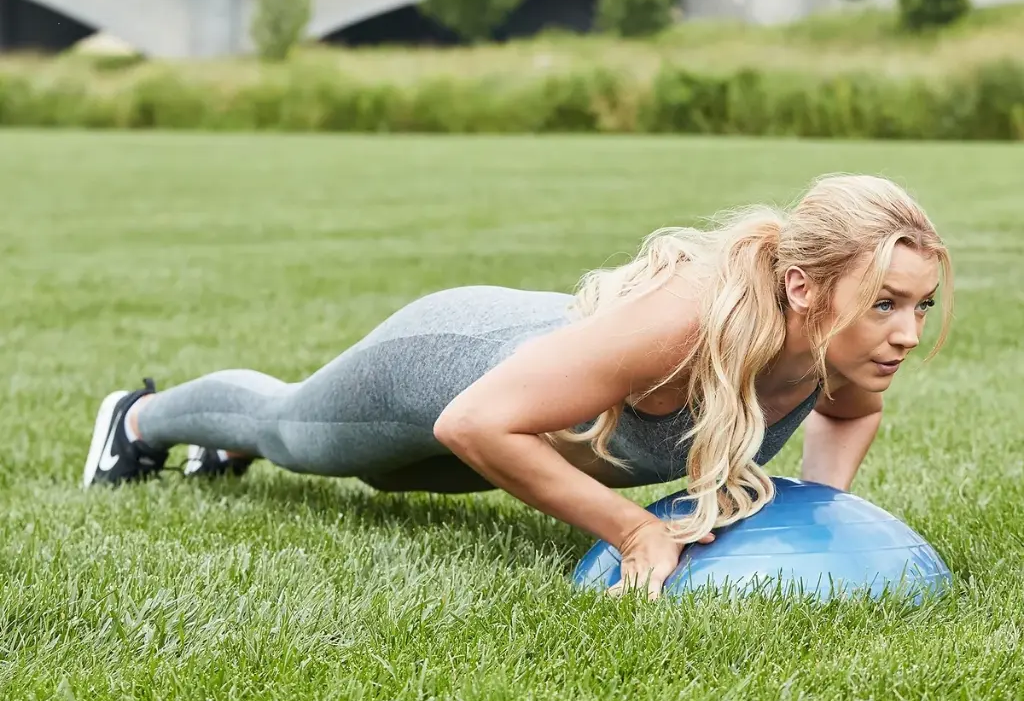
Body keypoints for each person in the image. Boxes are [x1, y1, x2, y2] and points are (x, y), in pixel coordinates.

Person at [82, 174, 952, 599]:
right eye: (883, 303)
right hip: (451, 360)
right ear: (803, 288)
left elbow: (851, 416)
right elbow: (475, 421)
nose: (907, 334)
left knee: (389, 481)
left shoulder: (837, 354)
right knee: (296, 436)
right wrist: (635, 529)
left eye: (920, 305)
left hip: (528, 412)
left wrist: (816, 514)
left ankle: (226, 445)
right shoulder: (688, 323)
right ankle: (141, 420)